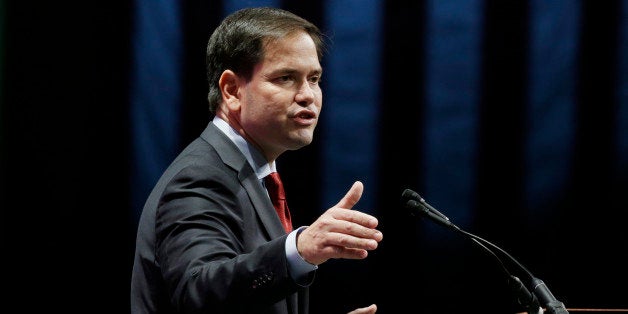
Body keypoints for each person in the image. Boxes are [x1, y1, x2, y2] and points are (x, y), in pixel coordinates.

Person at [130, 7, 383, 314]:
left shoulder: (254, 173)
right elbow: (197, 292)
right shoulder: (201, 176)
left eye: (314, 78)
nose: (307, 95)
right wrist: (299, 248)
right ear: (232, 90)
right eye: (286, 78)